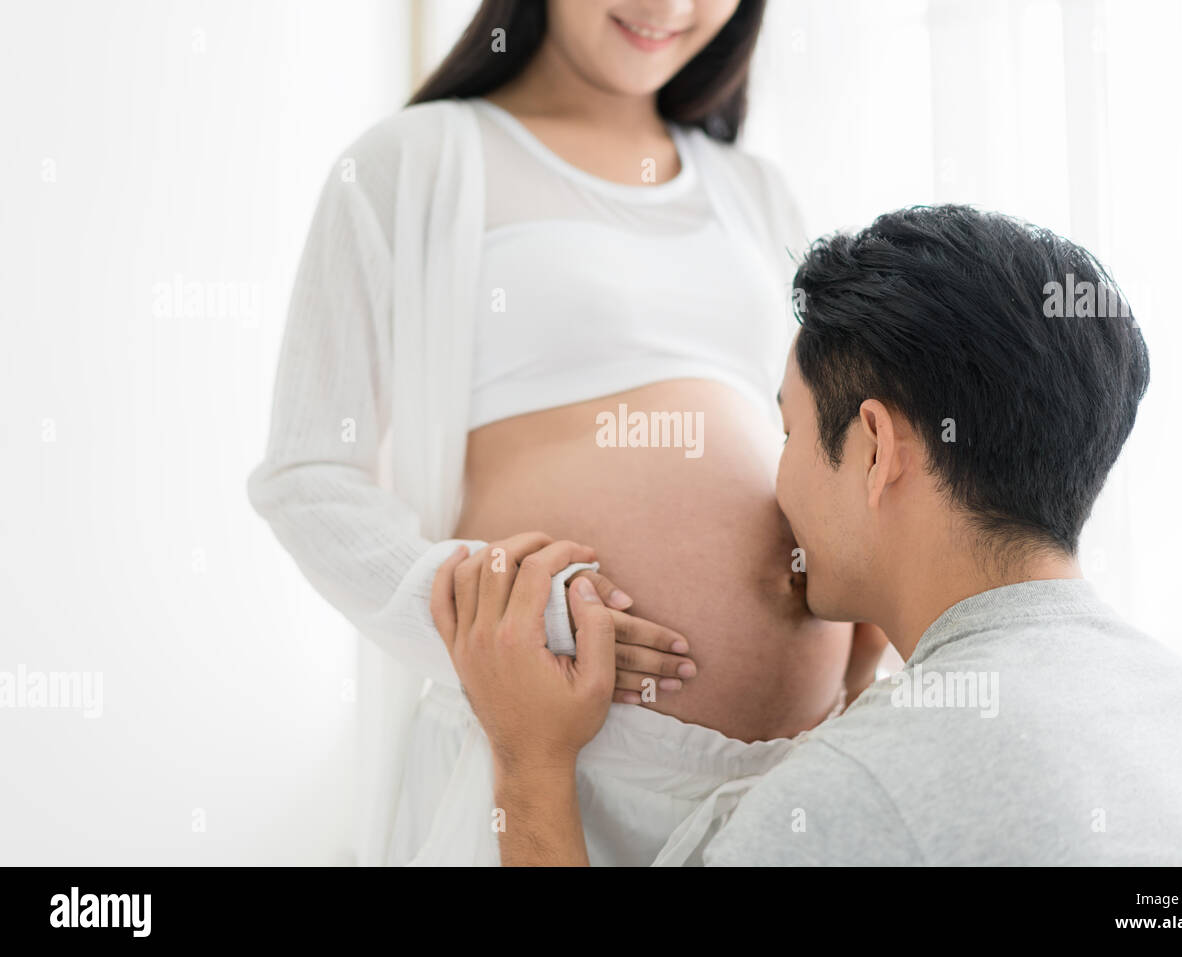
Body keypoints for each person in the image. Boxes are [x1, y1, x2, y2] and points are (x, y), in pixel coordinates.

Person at [433, 205, 1182, 865]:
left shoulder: (863, 789)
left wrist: (529, 763)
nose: (775, 489)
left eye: (788, 433)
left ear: (877, 448)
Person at [246, 0, 869, 866]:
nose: (669, 7)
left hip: (782, 791)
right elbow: (307, 476)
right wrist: (495, 610)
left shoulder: (756, 192)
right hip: (542, 772)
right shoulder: (411, 162)